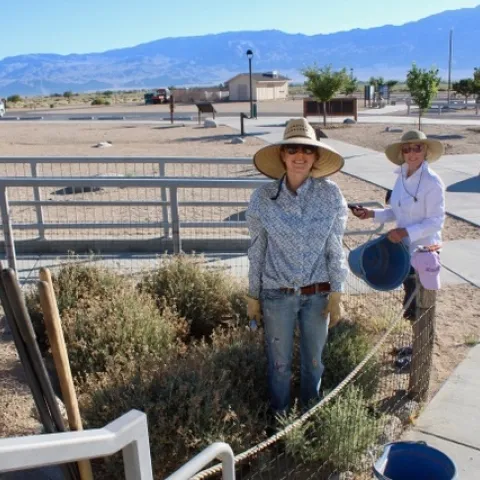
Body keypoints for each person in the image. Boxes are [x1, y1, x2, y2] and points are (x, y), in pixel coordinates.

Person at [245, 118, 348, 415]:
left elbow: (334, 246)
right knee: (279, 366)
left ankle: (308, 420)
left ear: (316, 156)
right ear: (282, 154)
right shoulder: (263, 198)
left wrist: (337, 292)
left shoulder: (331, 195)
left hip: (318, 295)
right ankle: (278, 424)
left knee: (314, 364)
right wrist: (253, 295)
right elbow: (257, 249)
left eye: (307, 149)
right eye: (292, 149)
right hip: (276, 295)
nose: (299, 155)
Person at [351, 130, 445, 319]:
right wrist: (370, 214)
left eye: (417, 148)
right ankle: (413, 347)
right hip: (403, 249)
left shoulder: (433, 182)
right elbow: (397, 211)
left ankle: (418, 348)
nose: (412, 153)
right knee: (410, 300)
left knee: (420, 303)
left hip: (423, 251)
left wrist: (405, 232)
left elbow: (436, 221)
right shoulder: (401, 176)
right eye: (407, 149)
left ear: (425, 150)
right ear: (402, 153)